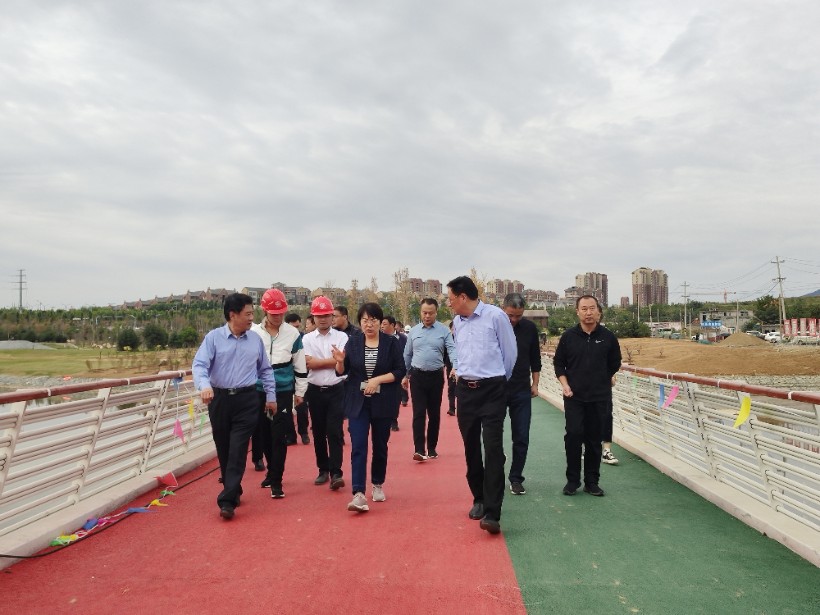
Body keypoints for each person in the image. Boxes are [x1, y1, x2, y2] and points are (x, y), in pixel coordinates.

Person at [192, 292, 277, 520]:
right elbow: (199, 365)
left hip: (247, 399)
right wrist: (204, 385)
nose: (251, 318)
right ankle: (233, 487)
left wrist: (271, 397)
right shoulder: (213, 338)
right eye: (247, 314)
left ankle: (227, 501)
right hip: (219, 399)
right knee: (224, 447)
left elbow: (265, 370)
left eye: (252, 313)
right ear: (233, 315)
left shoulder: (255, 340)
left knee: (238, 447)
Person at [447, 276, 516, 535]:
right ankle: (479, 498)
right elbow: (461, 354)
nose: (449, 303)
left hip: (492, 390)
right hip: (466, 391)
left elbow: (510, 355)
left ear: (463, 297)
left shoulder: (496, 317)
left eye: (450, 298)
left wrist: (499, 381)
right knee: (471, 448)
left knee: (493, 449)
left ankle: (492, 513)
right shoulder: (457, 322)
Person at [332, 303, 406, 513]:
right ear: (360, 322)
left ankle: (377, 483)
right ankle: (358, 493)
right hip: (358, 401)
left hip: (384, 401)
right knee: (358, 445)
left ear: (380, 322)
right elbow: (342, 371)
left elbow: (400, 370)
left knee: (380, 445)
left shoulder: (391, 343)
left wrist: (377, 380)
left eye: (373, 320)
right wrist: (339, 362)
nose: (369, 324)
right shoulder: (354, 342)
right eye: (365, 320)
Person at [553, 295, 622, 497]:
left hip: (599, 397)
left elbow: (615, 362)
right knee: (573, 436)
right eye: (584, 309)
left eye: (592, 308)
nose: (588, 312)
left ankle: (592, 482)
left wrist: (603, 378)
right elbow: (559, 364)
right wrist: (565, 385)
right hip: (574, 396)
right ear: (577, 312)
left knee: (594, 439)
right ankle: (572, 481)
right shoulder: (568, 337)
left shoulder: (608, 337)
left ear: (599, 311)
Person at [250, 290, 308, 498]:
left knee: (278, 436)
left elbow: (300, 365)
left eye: (281, 313)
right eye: (273, 313)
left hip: (283, 390)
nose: (277, 316)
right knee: (263, 434)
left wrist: (300, 391)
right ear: (264, 311)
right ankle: (271, 471)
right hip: (258, 390)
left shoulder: (293, 334)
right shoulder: (253, 333)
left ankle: (277, 480)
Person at [402, 298, 457, 461]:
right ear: (421, 312)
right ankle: (419, 449)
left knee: (434, 414)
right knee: (418, 413)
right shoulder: (414, 332)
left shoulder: (444, 331)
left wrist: (456, 366)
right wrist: (405, 375)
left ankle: (432, 447)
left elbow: (452, 350)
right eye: (424, 313)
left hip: (436, 377)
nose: (427, 316)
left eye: (430, 313)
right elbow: (407, 354)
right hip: (417, 376)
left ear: (436, 313)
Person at [302, 296, 348, 491]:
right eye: (319, 316)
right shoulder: (306, 339)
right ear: (313, 317)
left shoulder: (341, 337)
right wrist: (332, 361)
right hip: (314, 390)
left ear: (332, 316)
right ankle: (323, 469)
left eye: (326, 315)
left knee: (334, 431)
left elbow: (342, 361)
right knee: (319, 431)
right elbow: (307, 363)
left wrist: (318, 362)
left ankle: (336, 472)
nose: (323, 319)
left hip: (336, 389)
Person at [502, 293, 542, 496]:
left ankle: (516, 478)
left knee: (522, 436)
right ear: (503, 309)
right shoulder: (494, 327)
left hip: (521, 390)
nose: (514, 319)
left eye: (518, 315)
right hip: (497, 389)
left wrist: (535, 384)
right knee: (492, 435)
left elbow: (535, 358)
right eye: (510, 315)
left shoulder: (529, 328)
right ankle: (494, 473)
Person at [285, 311, 311, 445]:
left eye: (298, 326)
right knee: (286, 408)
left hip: (301, 376)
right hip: (286, 377)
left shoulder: (303, 338)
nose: (296, 329)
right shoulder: (282, 339)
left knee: (302, 406)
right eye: (293, 326)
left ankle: (304, 432)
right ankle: (290, 435)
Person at [381, 315, 407, 431]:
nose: (382, 326)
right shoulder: (379, 338)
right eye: (381, 324)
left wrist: (406, 372)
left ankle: (393, 420)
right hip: (382, 373)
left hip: (397, 372)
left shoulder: (403, 338)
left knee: (395, 398)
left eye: (384, 324)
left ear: (392, 325)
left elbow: (407, 353)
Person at [444, 321, 457, 416]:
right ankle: (451, 407)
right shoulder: (448, 339)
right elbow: (444, 353)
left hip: (463, 367)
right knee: (451, 387)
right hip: (450, 366)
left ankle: (462, 407)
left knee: (461, 387)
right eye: (453, 328)